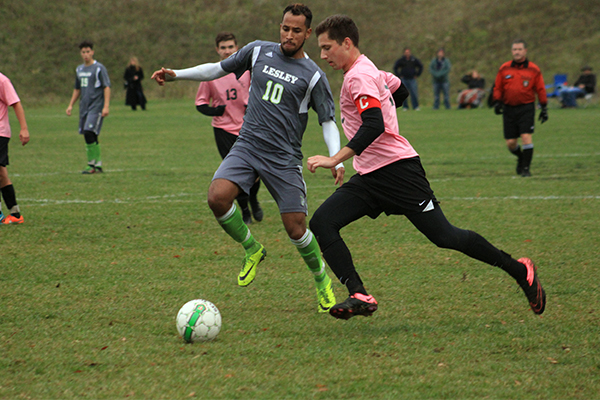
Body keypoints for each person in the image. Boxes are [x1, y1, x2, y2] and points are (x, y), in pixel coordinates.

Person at [309, 14, 546, 320]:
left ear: (347, 42)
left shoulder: (359, 76)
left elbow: (374, 123)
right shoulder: (370, 70)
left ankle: (520, 270)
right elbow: (400, 91)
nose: (323, 55)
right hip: (371, 176)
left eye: (327, 47)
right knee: (323, 222)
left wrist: (335, 158)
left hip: (398, 173)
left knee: (445, 236)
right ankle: (358, 294)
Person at [151, 4, 344, 313]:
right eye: (285, 28)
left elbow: (328, 120)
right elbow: (217, 69)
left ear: (308, 33)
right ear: (279, 27)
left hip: (283, 157)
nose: (289, 35)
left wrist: (336, 157)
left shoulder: (314, 75)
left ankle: (321, 277)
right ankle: (252, 248)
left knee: (295, 228)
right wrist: (177, 75)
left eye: (296, 30)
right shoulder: (257, 51)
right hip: (248, 145)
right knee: (217, 197)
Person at [195, 32, 263, 225]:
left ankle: (253, 200)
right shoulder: (211, 74)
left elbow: (259, 94)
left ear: (237, 48)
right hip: (223, 129)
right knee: (236, 173)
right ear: (217, 50)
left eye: (230, 47)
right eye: (223, 48)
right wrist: (215, 110)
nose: (227, 51)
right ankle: (245, 211)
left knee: (256, 172)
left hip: (248, 128)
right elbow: (200, 103)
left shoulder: (248, 70)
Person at [493, 39, 548, 178]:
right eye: (514, 49)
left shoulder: (533, 69)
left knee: (526, 137)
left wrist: (544, 107)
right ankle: (521, 157)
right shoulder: (504, 68)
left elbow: (540, 88)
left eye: (519, 49)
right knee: (511, 143)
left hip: (526, 108)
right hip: (509, 108)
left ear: (525, 51)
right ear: (512, 52)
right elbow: (498, 86)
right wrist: (497, 102)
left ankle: (525, 169)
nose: (517, 52)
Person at [66, 40, 111, 174]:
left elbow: (106, 87)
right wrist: (70, 105)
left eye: (88, 51)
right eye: (83, 52)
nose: (85, 54)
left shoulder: (99, 68)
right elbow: (77, 89)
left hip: (96, 106)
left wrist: (106, 106)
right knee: (89, 134)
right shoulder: (79, 69)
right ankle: (96, 165)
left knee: (89, 132)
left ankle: (93, 164)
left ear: (92, 52)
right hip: (84, 107)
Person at [0, 72, 30, 225]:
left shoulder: (2, 80)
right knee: (1, 173)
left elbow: (16, 103)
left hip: (0, 132)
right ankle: (15, 214)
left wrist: (24, 128)